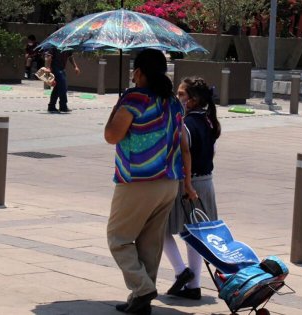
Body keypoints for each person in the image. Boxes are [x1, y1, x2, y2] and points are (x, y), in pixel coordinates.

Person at [105, 49, 196, 315]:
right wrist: (187, 184)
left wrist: (117, 106)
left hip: (137, 180)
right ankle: (141, 299)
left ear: (139, 72)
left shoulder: (134, 99)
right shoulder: (173, 102)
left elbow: (112, 136)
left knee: (118, 239)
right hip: (168, 181)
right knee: (150, 242)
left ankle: (142, 288)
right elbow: (184, 146)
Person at [163, 77, 221, 301]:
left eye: (181, 95)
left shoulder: (185, 125)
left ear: (193, 100)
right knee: (195, 235)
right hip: (206, 182)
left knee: (159, 229)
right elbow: (212, 153)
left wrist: (186, 183)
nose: (178, 98)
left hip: (189, 183)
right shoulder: (209, 122)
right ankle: (194, 285)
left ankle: (181, 271)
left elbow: (185, 155)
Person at [44, 47, 80, 113]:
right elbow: (49, 56)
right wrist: (48, 68)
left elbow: (70, 57)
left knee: (57, 88)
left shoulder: (68, 46)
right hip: (55, 68)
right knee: (63, 86)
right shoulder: (54, 46)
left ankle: (51, 106)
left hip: (62, 68)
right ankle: (63, 106)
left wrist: (75, 66)